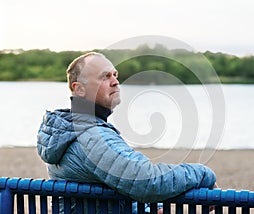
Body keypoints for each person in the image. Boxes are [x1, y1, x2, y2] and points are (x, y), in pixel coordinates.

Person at [37, 52, 217, 213]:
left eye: (115, 75)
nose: (115, 81)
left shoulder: (69, 131)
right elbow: (148, 182)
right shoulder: (91, 137)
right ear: (79, 89)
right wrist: (203, 173)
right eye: (104, 77)